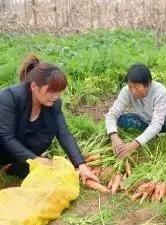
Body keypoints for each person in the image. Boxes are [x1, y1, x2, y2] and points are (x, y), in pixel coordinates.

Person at [0, 54, 98, 184]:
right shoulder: (10, 97)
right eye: (51, 91)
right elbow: (6, 137)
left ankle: (13, 166)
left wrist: (81, 165)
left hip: (18, 147)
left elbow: (64, 133)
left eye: (59, 91)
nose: (55, 96)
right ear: (34, 86)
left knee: (50, 128)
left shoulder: (53, 104)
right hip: (3, 144)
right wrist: (35, 160)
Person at [105, 64, 166, 158]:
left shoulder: (160, 92)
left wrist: (134, 144)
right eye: (130, 86)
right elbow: (112, 114)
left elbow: (157, 124)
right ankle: (152, 137)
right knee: (121, 119)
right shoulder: (127, 91)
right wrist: (114, 136)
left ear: (148, 84)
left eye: (136, 87)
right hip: (147, 122)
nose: (133, 91)